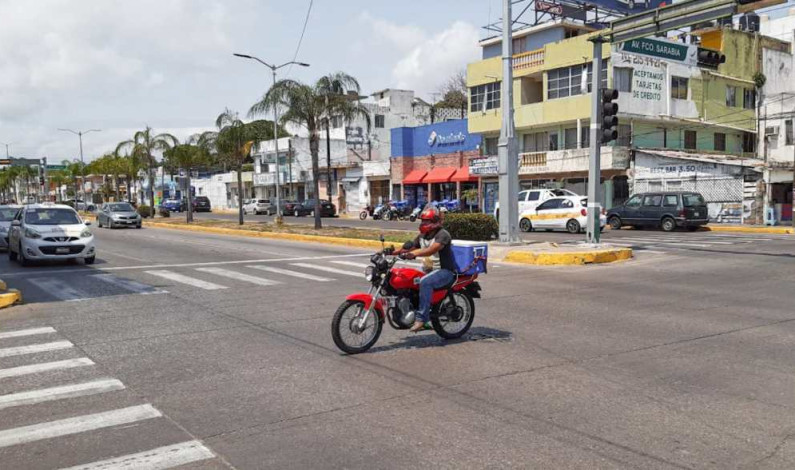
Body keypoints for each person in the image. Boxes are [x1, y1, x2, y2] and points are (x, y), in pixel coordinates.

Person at [395, 205, 456, 332]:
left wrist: (414, 254)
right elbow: (409, 247)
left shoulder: (443, 234)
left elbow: (431, 250)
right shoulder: (423, 235)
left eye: (426, 221)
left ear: (434, 222)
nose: (423, 223)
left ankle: (421, 319)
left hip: (445, 271)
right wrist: (391, 251)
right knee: (407, 279)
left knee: (425, 282)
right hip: (429, 270)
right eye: (422, 221)